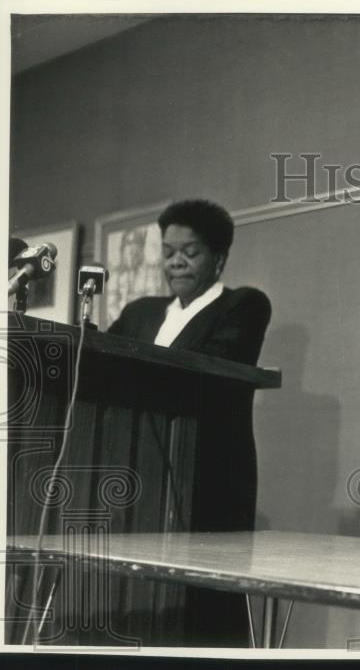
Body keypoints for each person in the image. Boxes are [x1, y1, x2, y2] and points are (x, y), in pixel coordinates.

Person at [108, 199, 271, 645]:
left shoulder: (244, 305)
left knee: (204, 608)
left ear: (219, 258)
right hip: (139, 477)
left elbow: (215, 364)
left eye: (191, 251)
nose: (176, 261)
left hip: (208, 473)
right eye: (168, 251)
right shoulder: (141, 313)